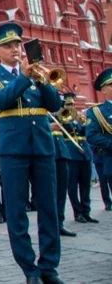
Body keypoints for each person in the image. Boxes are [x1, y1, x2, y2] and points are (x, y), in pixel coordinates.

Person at [0, 23, 63, 284]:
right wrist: (24, 78)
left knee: (49, 208)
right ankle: (29, 269)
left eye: (17, 44)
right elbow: (0, 100)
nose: (15, 49)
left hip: (42, 146)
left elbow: (55, 105)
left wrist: (43, 81)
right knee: (17, 212)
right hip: (13, 150)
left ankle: (49, 267)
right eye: (8, 46)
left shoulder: (35, 73)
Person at [62, 94, 97, 223]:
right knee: (72, 186)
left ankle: (86, 211)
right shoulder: (63, 117)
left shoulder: (79, 117)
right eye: (68, 104)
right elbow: (68, 129)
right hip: (72, 154)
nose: (71, 106)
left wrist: (83, 121)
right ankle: (78, 213)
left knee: (85, 184)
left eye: (73, 104)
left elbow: (86, 132)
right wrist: (70, 118)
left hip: (84, 153)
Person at [86, 68, 112, 215]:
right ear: (103, 90)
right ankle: (107, 202)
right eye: (111, 85)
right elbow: (91, 135)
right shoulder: (97, 112)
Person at [50, 101, 75, 238]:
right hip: (49, 155)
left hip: (62, 154)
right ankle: (51, 225)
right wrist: (49, 127)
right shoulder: (42, 113)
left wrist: (63, 113)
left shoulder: (57, 114)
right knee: (50, 193)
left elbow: (70, 129)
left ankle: (60, 223)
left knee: (61, 191)